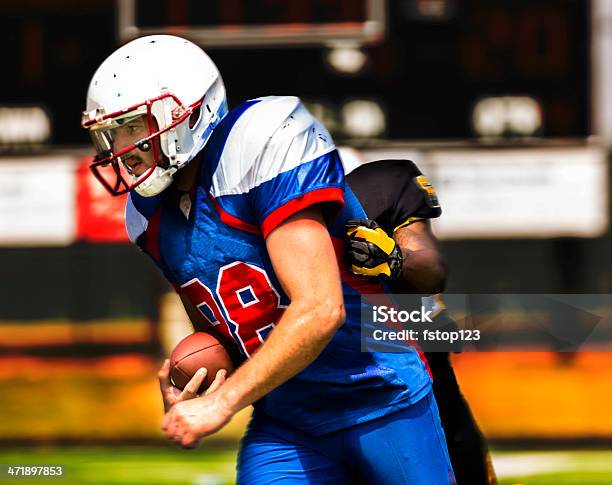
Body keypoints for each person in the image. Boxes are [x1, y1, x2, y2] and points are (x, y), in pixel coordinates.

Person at [82, 35, 455, 484]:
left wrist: (222, 404)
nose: (121, 147)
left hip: (379, 396)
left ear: (188, 115)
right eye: (113, 132)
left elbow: (321, 309)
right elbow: (226, 333)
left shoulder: (259, 142)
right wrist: (198, 385)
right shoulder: (145, 216)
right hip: (290, 422)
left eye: (134, 127)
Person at [344, 159, 498, 485]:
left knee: (457, 455)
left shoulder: (382, 183)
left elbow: (430, 270)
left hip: (412, 372)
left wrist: (394, 262)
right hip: (329, 384)